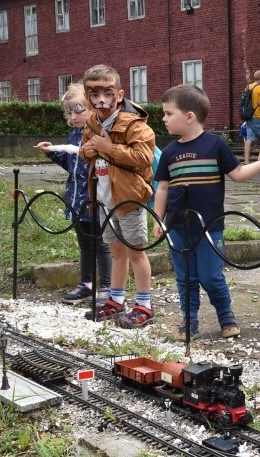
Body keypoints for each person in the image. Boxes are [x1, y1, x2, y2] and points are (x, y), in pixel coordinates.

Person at [153, 84, 260, 340]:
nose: (164, 118)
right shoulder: (169, 152)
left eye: (169, 113)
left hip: (210, 228)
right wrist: (158, 219)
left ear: (189, 116)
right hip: (177, 228)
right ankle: (189, 322)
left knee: (210, 276)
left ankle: (226, 317)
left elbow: (237, 174)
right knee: (185, 279)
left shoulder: (215, 145)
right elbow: (162, 189)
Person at [79, 64, 157, 328]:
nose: (101, 100)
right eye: (94, 93)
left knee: (136, 251)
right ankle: (116, 299)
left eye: (108, 93)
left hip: (128, 197)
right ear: (87, 97)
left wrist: (110, 148)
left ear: (120, 95)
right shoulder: (92, 121)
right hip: (104, 197)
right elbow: (83, 150)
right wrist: (88, 151)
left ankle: (145, 304)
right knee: (116, 251)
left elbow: (144, 159)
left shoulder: (135, 125)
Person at [36, 83, 112, 306]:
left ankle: (106, 286)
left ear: (91, 108)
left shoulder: (99, 133)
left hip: (96, 199)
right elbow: (72, 166)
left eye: (79, 110)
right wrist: (52, 152)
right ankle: (87, 284)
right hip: (76, 199)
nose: (74, 116)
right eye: (69, 112)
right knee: (84, 244)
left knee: (101, 244)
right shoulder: (73, 135)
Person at [243, 70, 260, 165]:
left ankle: (246, 162)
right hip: (257, 117)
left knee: (249, 138)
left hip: (248, 117)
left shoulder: (249, 86)